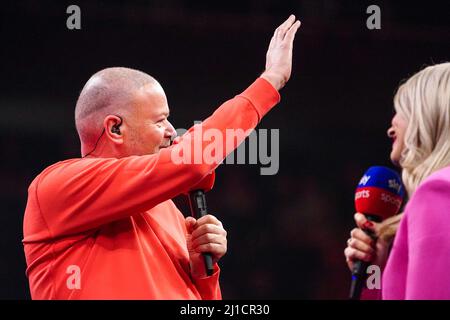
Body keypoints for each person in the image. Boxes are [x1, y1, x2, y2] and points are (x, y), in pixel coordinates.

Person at [22, 15, 301, 299]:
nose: (171, 131)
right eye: (160, 121)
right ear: (115, 128)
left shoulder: (170, 212)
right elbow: (191, 161)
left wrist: (201, 272)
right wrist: (269, 81)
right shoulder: (58, 187)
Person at [344, 62, 450, 299]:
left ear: (429, 116)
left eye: (402, 110)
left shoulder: (438, 191)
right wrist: (374, 274)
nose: (391, 129)